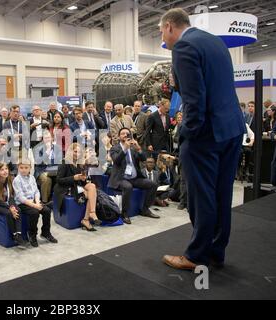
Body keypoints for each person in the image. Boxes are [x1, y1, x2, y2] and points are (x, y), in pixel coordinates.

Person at [159, 8, 245, 270]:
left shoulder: (183, 48)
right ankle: (216, 252)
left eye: (162, 30)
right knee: (221, 195)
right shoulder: (215, 42)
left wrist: (187, 135)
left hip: (205, 135)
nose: (163, 36)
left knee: (202, 197)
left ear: (171, 27)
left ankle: (196, 256)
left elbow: (194, 101)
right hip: (232, 129)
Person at [108, 128, 159, 224]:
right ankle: (124, 213)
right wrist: (125, 149)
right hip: (120, 178)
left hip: (134, 178)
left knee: (152, 184)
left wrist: (139, 149)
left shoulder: (133, 148)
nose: (125, 135)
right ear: (119, 137)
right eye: (122, 133)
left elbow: (144, 159)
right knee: (128, 187)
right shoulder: (114, 148)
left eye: (127, 133)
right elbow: (117, 161)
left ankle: (145, 209)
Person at [54, 143, 101, 232]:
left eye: (79, 152)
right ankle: (86, 220)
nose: (77, 154)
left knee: (92, 186)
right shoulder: (64, 162)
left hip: (77, 185)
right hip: (66, 187)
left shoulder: (79, 163)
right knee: (90, 194)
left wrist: (83, 178)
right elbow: (59, 180)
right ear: (70, 151)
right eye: (75, 151)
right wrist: (74, 178)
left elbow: (82, 180)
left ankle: (91, 213)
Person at [13, 161, 57, 247]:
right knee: (34, 212)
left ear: (30, 168)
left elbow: (36, 191)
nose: (24, 170)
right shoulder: (17, 180)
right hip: (23, 203)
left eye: (26, 168)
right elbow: (21, 197)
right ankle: (32, 234)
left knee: (47, 210)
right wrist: (35, 206)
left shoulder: (32, 178)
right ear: (18, 168)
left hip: (33, 201)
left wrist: (37, 202)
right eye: (21, 168)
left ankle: (45, 232)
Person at [0, 162, 25, 246]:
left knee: (18, 210)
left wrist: (12, 206)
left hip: (7, 202)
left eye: (6, 169)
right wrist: (10, 208)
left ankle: (19, 234)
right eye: (2, 170)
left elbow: (11, 196)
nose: (5, 171)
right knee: (9, 213)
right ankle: (14, 234)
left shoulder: (9, 180)